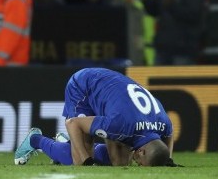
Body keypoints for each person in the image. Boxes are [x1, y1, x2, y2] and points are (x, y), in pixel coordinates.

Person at [13, 67, 173, 167]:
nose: (137, 164)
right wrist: (85, 159)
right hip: (85, 86)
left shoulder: (163, 123)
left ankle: (68, 143)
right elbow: (73, 123)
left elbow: (169, 134)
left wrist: (168, 159)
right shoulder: (121, 126)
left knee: (120, 162)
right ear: (143, 152)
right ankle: (35, 140)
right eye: (141, 164)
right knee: (76, 159)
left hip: (113, 95)